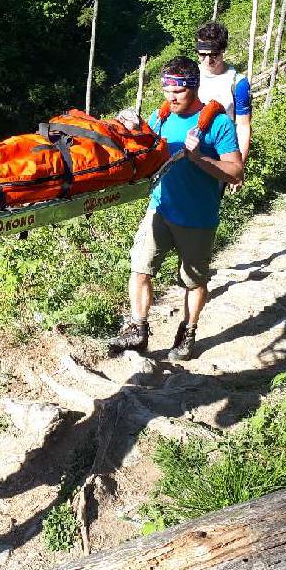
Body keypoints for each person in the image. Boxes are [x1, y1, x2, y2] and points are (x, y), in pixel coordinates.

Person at [110, 57, 244, 361]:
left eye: (178, 91)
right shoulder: (161, 117)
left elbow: (236, 172)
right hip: (160, 209)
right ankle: (138, 330)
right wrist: (130, 131)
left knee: (194, 281)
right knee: (140, 268)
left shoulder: (217, 123)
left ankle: (187, 331)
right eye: (167, 90)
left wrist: (198, 158)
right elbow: (147, 153)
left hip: (198, 217)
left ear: (194, 87)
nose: (171, 97)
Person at [195, 22, 252, 190]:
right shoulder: (190, 76)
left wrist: (238, 169)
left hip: (220, 155)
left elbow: (243, 126)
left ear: (223, 50)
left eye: (214, 54)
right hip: (188, 149)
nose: (208, 60)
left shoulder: (237, 83)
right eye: (202, 54)